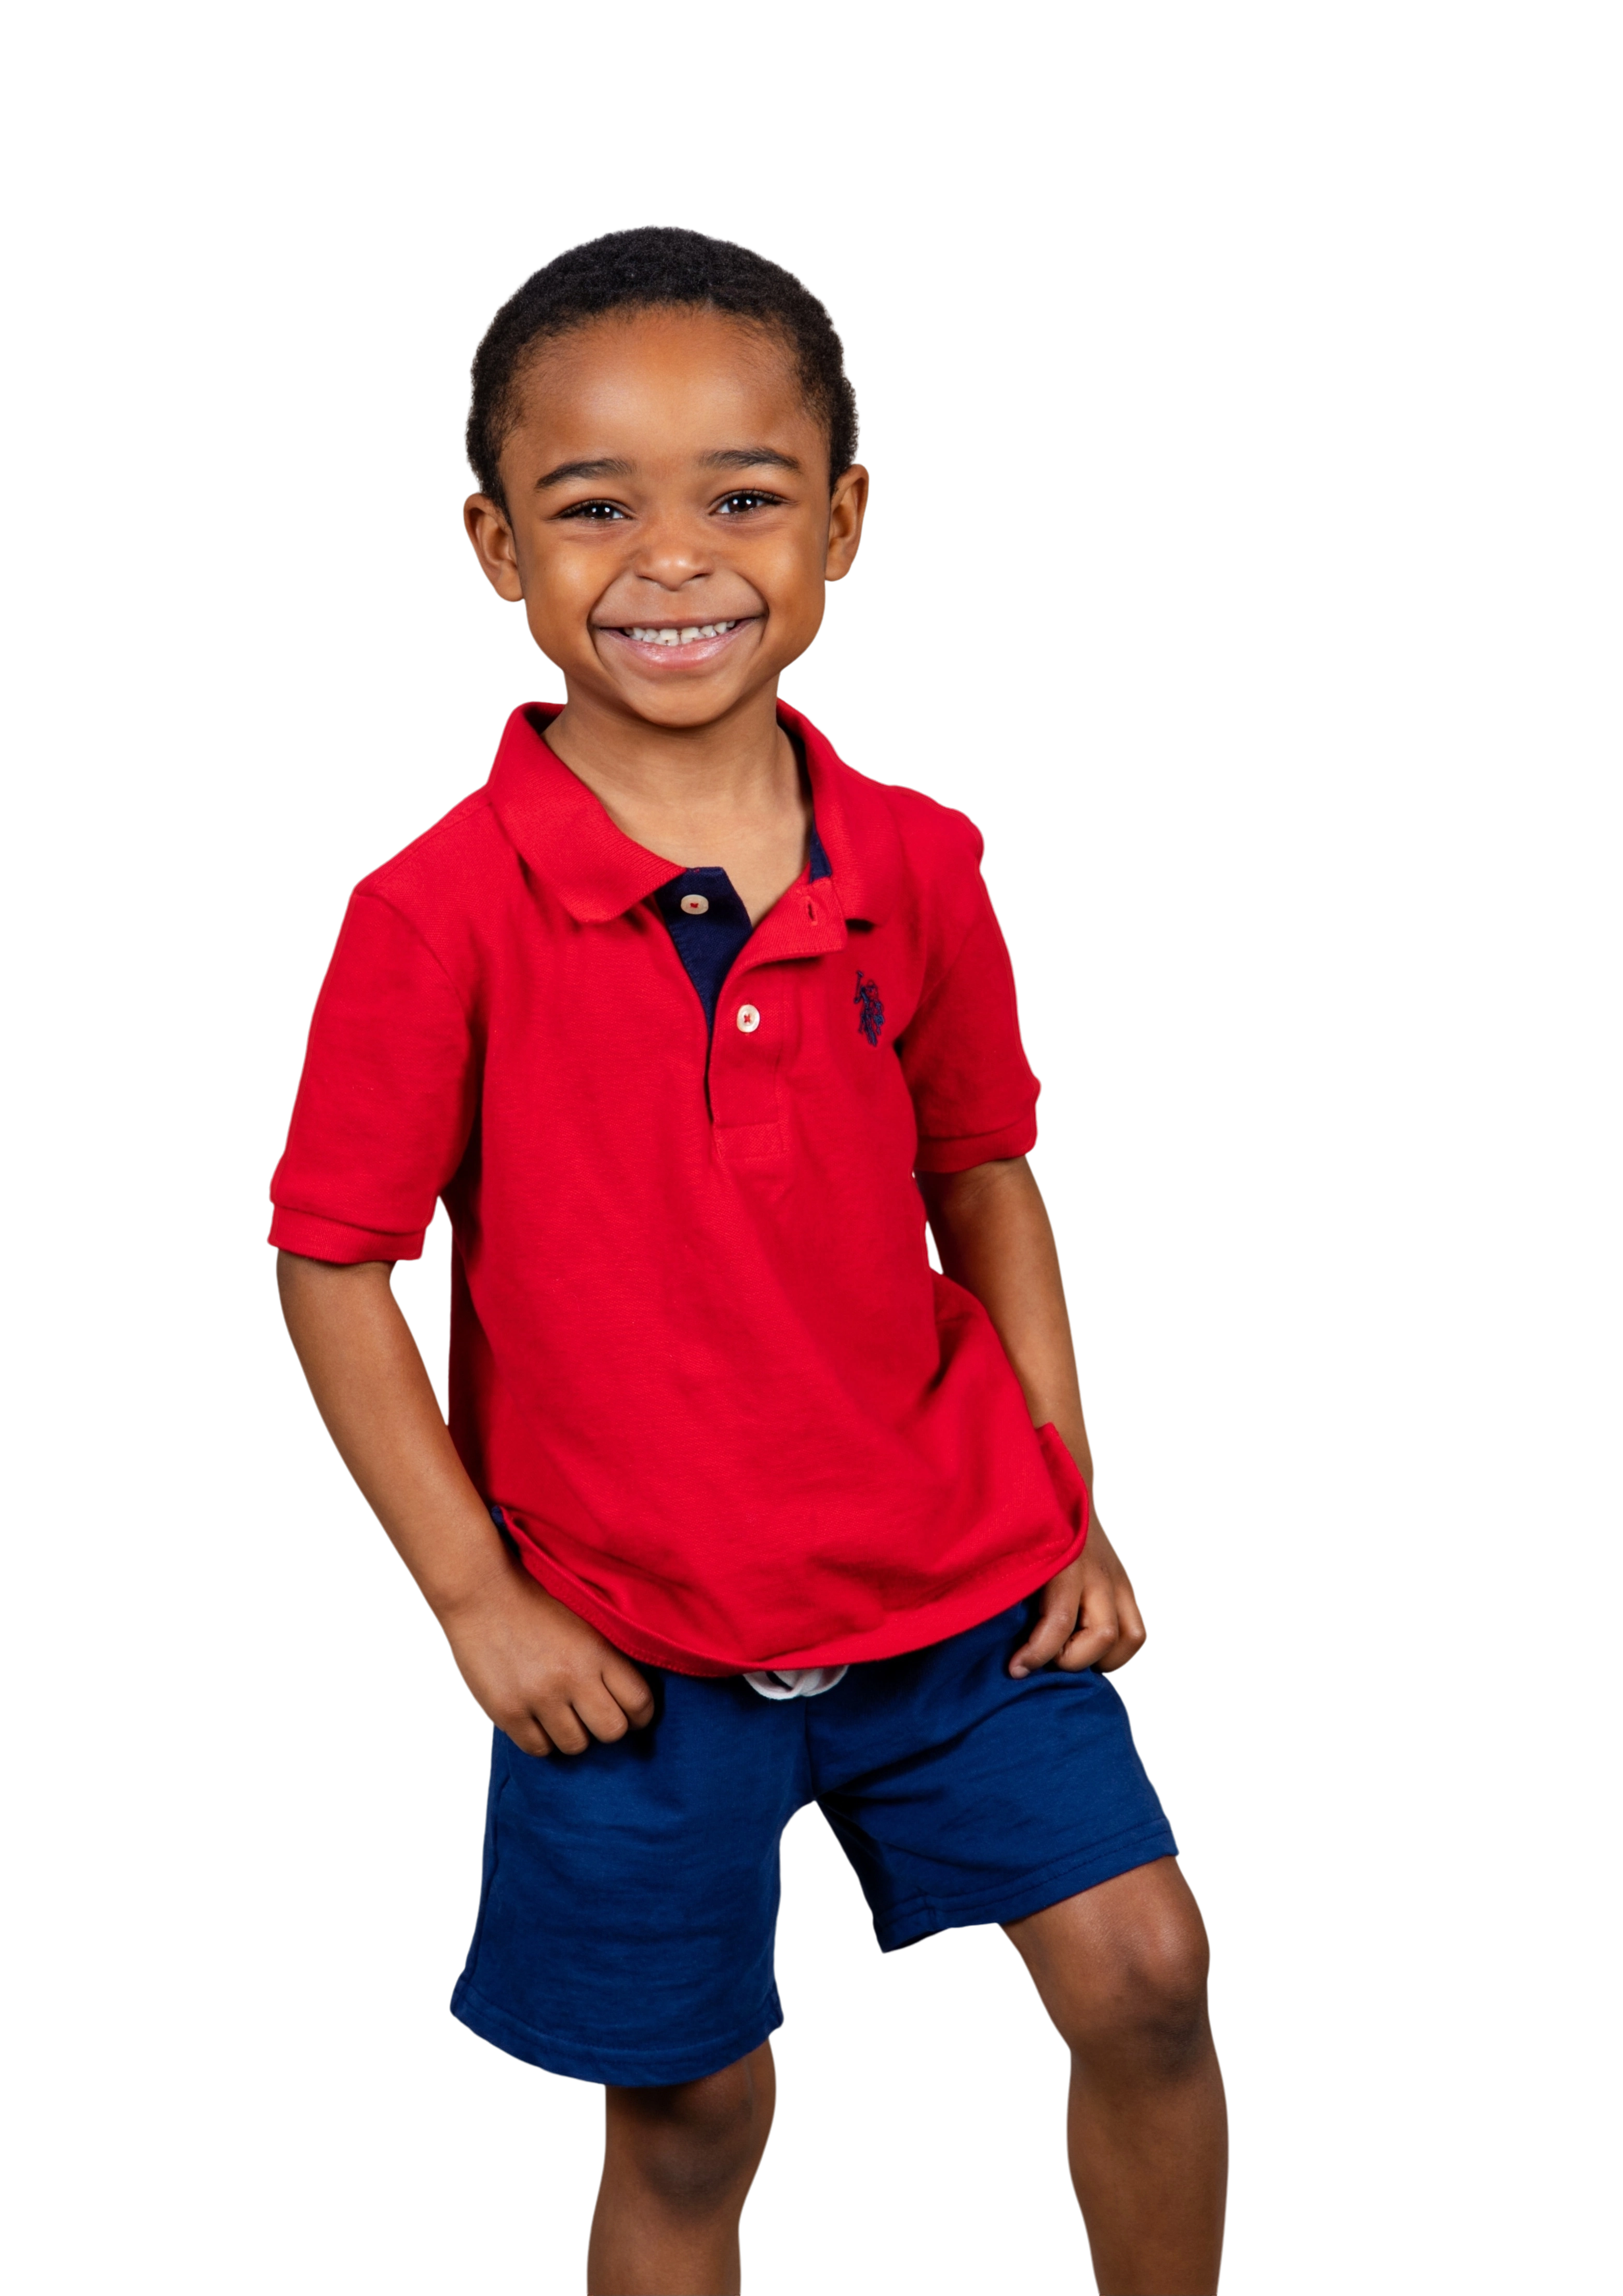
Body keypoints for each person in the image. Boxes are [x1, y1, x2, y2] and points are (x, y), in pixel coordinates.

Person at [267, 223, 1230, 2296]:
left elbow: (982, 1173)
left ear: (843, 524)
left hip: (954, 1583)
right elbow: (330, 1266)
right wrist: (476, 1602)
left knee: (1148, 1972)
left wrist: (1067, 1494)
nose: (672, 559)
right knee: (694, 2118)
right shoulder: (431, 913)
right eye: (592, 505)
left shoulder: (922, 861)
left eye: (742, 494)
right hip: (629, 1639)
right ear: (492, 544)